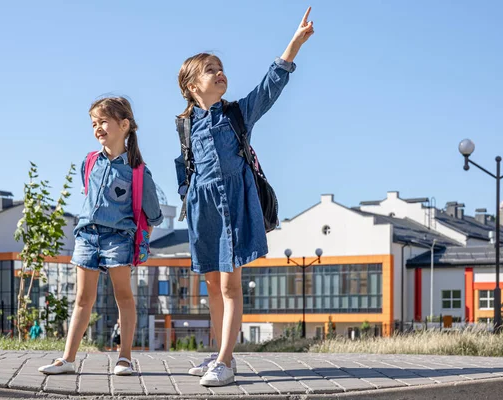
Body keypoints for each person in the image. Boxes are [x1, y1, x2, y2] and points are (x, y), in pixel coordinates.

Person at [174, 7, 315, 387]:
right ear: (191, 86)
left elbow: (270, 86)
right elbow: (184, 166)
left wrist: (294, 45)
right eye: (210, 69)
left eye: (221, 67)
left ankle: (224, 361)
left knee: (229, 286)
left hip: (233, 205)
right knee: (212, 288)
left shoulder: (236, 114)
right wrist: (187, 196)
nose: (220, 72)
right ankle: (223, 354)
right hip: (203, 212)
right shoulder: (185, 125)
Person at [39, 97, 163, 376]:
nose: (97, 128)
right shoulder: (90, 161)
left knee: (123, 296)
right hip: (87, 236)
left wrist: (139, 238)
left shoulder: (137, 171)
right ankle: (67, 359)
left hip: (119, 238)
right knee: (83, 297)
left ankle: (125, 358)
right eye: (94, 123)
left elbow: (153, 214)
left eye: (103, 121)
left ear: (124, 124)